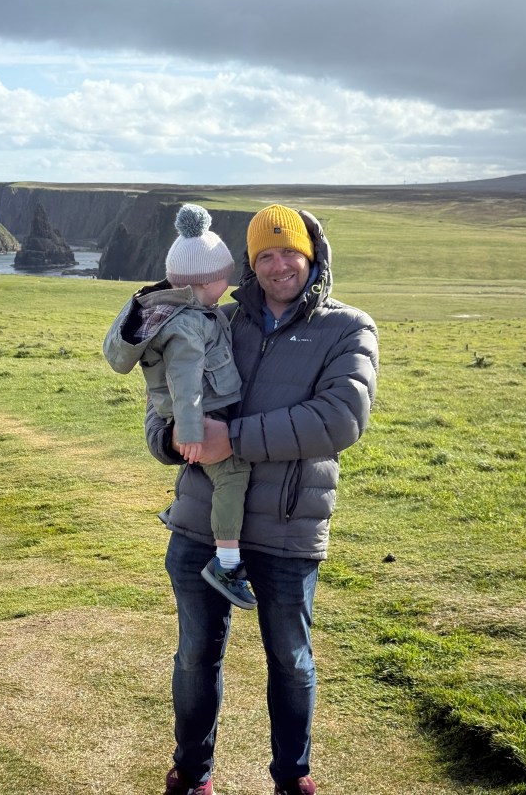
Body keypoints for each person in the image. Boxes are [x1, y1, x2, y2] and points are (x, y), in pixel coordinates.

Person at [144, 204, 379, 795]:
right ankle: (193, 773)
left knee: (292, 661)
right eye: (265, 255)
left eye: (289, 253)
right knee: (196, 657)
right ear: (249, 264)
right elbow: (163, 402)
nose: (279, 266)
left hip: (287, 526)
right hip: (201, 522)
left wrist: (232, 438)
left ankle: (291, 777)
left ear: (312, 256)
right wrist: (171, 439)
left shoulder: (348, 328)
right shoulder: (215, 320)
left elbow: (340, 418)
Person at [103, 203, 256, 609]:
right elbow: (184, 381)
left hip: (197, 413)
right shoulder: (188, 325)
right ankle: (226, 562)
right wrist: (189, 431)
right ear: (207, 283)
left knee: (214, 468)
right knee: (233, 473)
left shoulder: (188, 312)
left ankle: (185, 511)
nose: (228, 285)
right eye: (224, 278)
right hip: (199, 416)